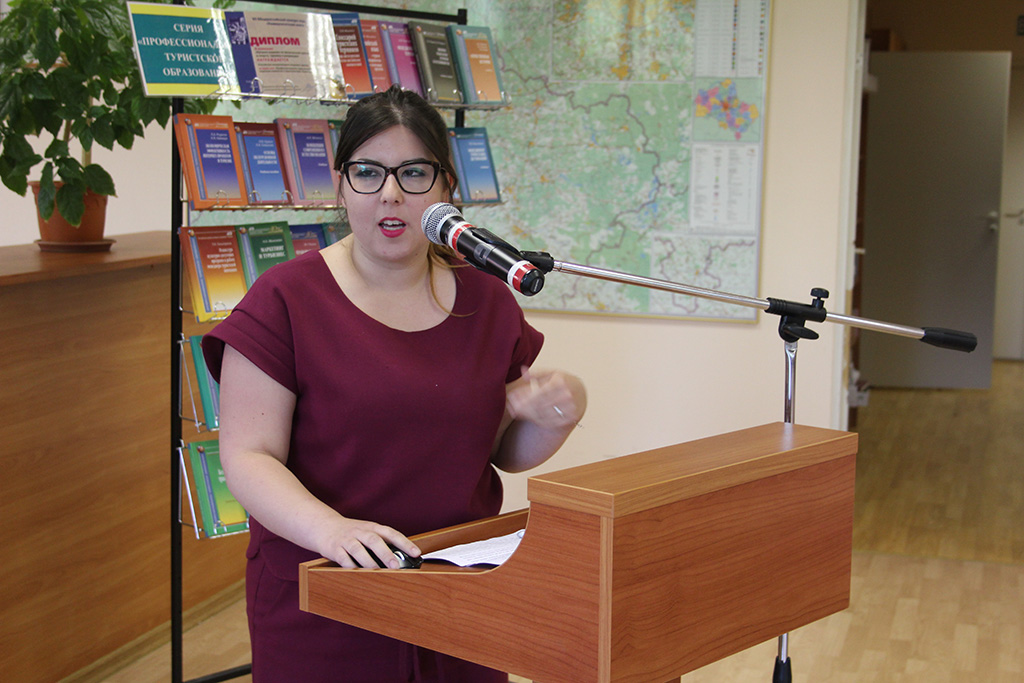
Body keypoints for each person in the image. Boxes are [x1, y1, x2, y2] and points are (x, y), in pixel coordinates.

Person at [201, 85, 587, 682]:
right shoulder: (284, 299)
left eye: (413, 173)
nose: (390, 193)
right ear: (340, 186)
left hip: (460, 588)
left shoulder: (487, 299)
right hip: (328, 594)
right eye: (367, 172)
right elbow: (248, 457)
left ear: (445, 189)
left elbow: (501, 454)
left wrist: (557, 416)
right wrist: (332, 531)